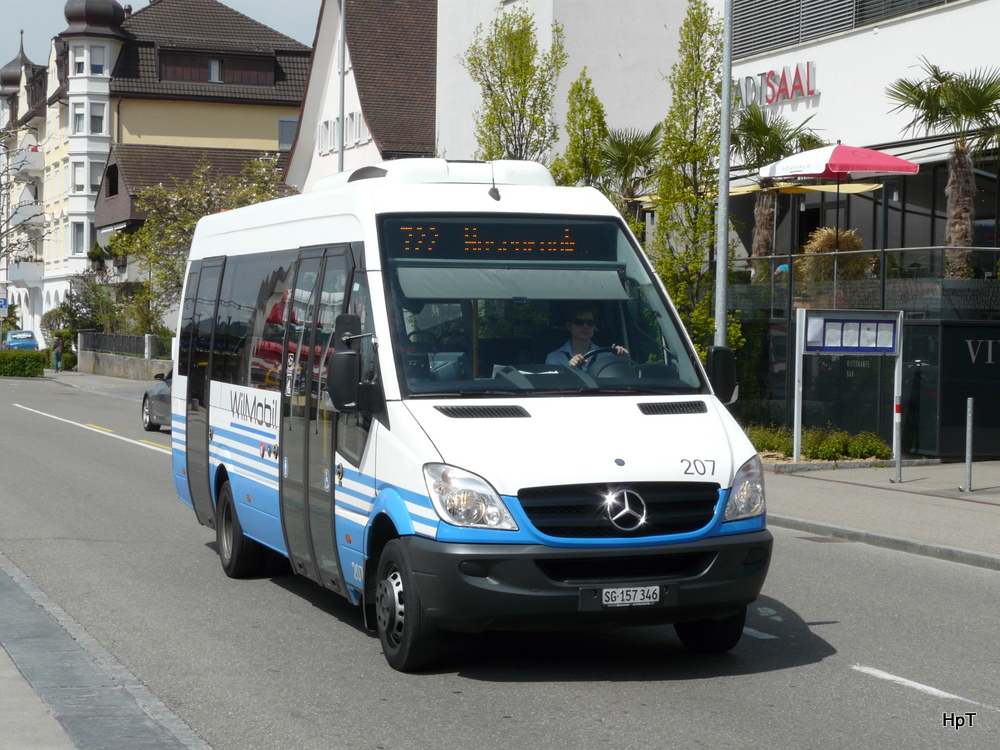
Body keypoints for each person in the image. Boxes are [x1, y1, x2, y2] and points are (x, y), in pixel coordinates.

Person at [545, 303, 627, 371]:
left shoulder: (607, 356)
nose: (585, 326)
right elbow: (554, 387)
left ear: (594, 327)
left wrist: (620, 360)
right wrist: (570, 369)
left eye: (590, 323)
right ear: (569, 326)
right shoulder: (555, 358)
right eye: (579, 322)